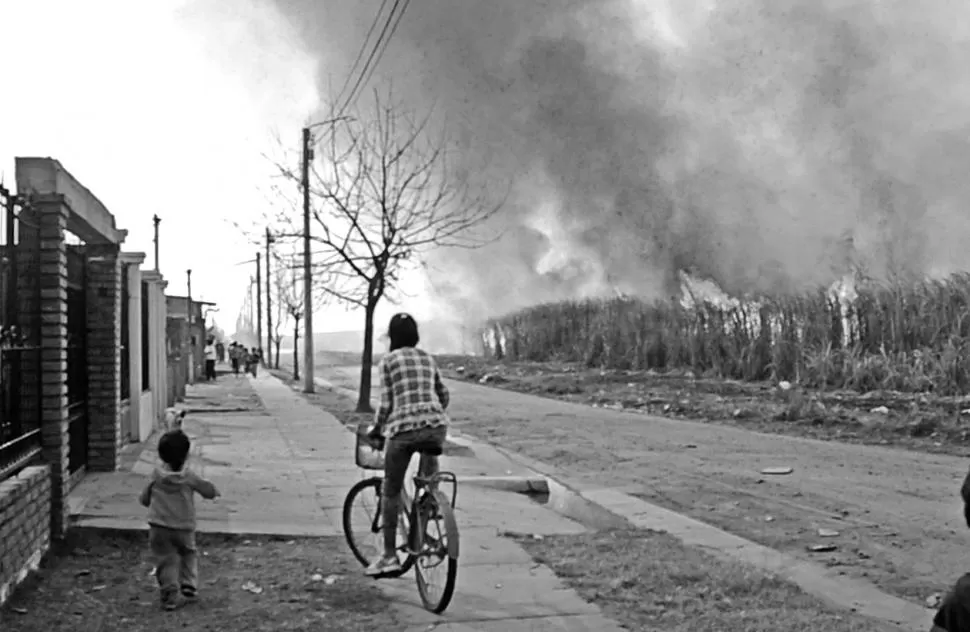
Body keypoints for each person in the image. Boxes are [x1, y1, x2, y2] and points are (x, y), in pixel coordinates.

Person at [364, 312, 450, 577]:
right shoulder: (427, 357)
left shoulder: (388, 361)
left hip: (403, 430)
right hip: (436, 424)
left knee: (390, 490)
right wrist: (431, 413)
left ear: (392, 337)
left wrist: (376, 430)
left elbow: (387, 404)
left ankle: (389, 556)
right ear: (415, 336)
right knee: (428, 458)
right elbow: (443, 394)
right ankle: (430, 499)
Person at [139, 430, 220, 610]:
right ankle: (188, 583)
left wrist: (146, 502)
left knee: (165, 558)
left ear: (161, 455)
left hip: (158, 526)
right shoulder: (189, 476)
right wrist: (213, 492)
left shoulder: (155, 476)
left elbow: (144, 497)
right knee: (188, 553)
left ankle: (169, 593)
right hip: (184, 526)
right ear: (186, 455)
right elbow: (205, 488)